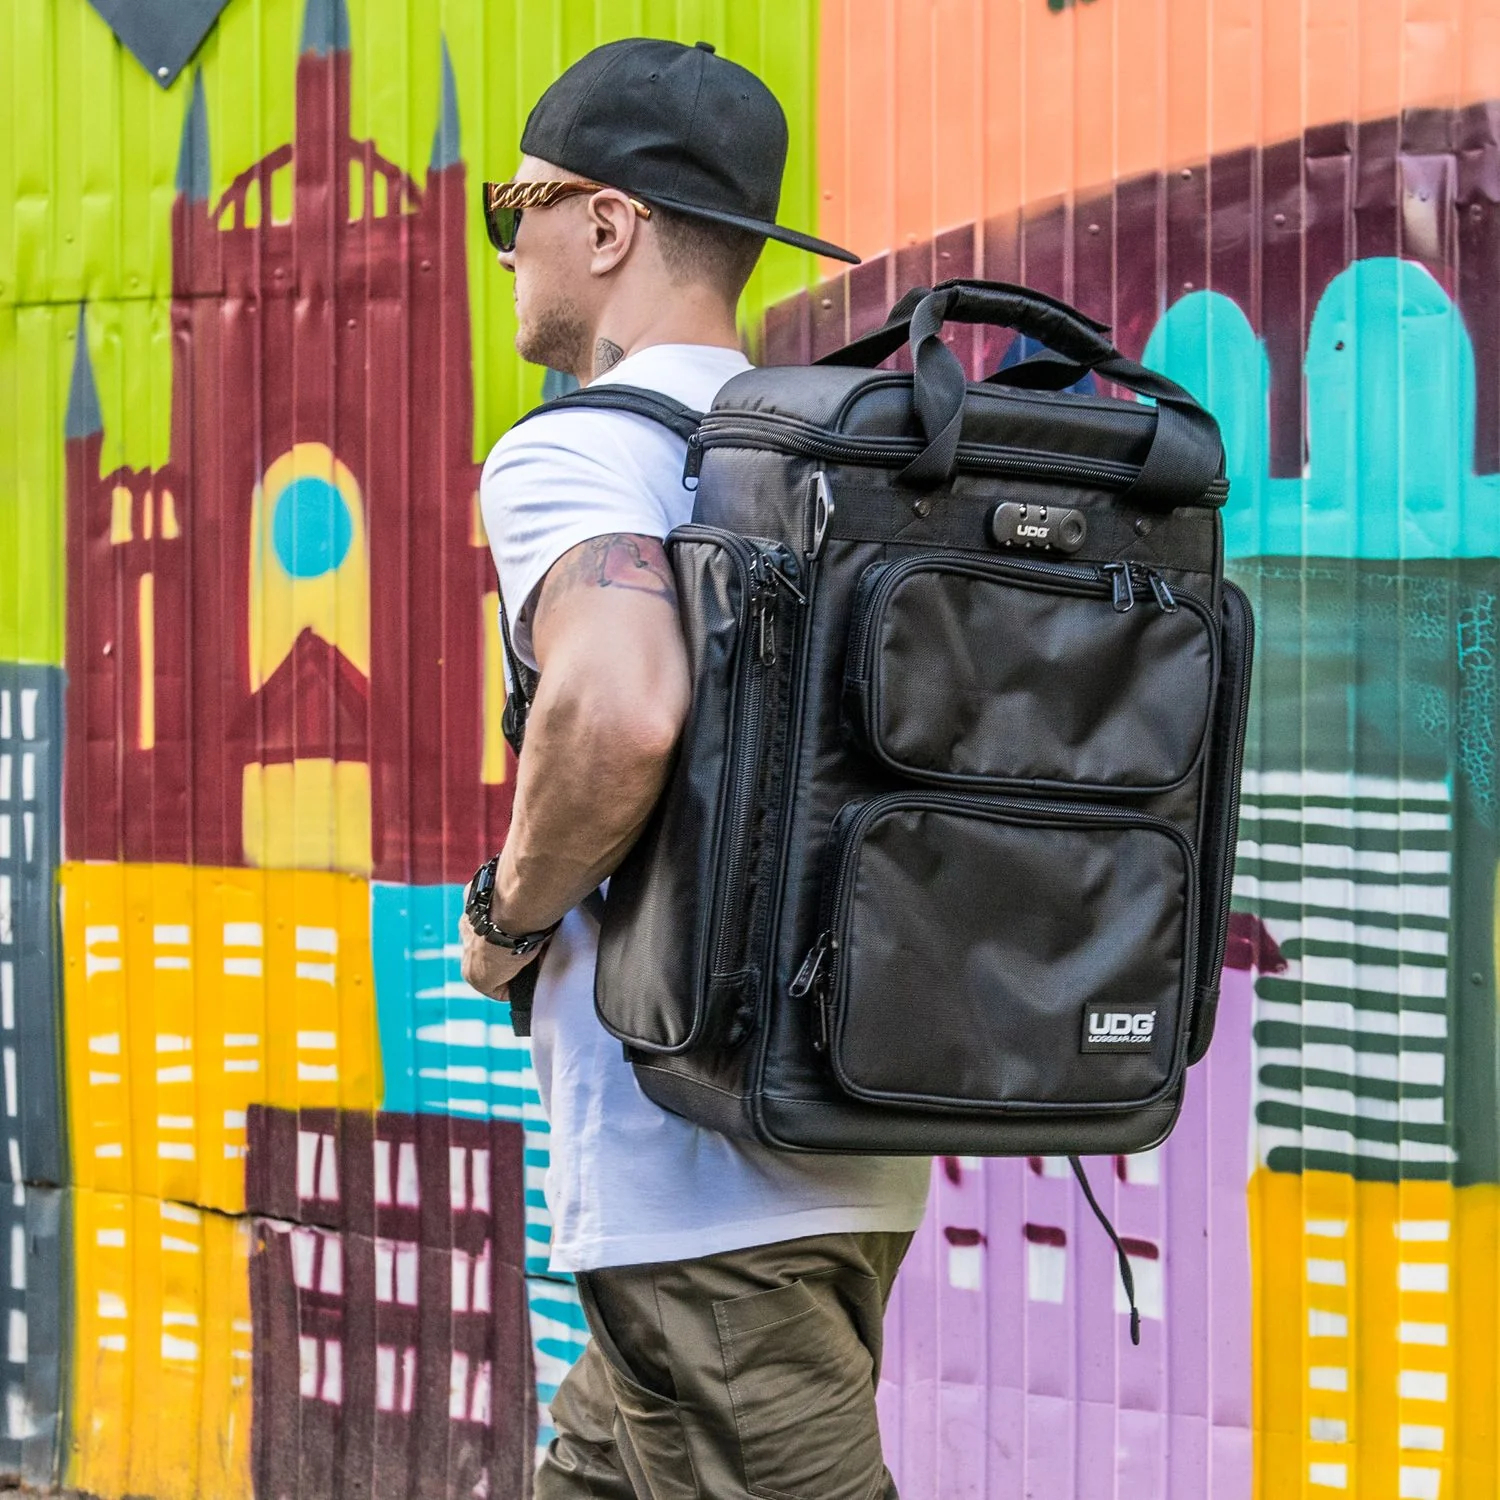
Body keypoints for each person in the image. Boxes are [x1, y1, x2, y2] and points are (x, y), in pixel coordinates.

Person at [460, 38, 930, 1499]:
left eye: (514, 207)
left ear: (606, 225)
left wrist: (507, 919)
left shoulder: (574, 454)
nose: (506, 247)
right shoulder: (841, 456)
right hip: (847, 1126)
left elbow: (617, 708)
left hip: (693, 1185)